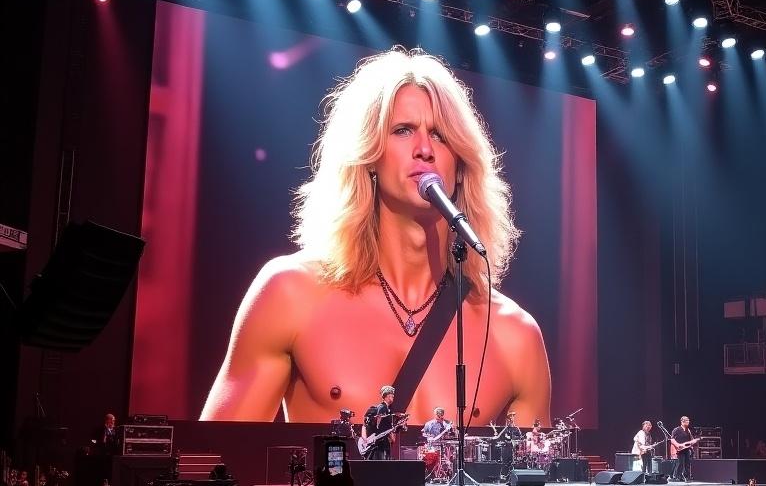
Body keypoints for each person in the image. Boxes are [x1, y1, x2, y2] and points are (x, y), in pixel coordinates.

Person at [200, 47, 551, 424]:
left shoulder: (515, 335)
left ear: (461, 166)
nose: (424, 149)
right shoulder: (291, 293)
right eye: (403, 131)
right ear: (368, 157)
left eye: (440, 135)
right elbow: (218, 467)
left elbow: (534, 480)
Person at [361, 386, 407, 460]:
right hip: (379, 444)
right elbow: (379, 426)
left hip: (382, 442)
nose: (393, 396)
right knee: (381, 464)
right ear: (387, 396)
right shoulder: (382, 407)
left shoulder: (388, 410)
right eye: (391, 394)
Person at [670, 414, 696, 482]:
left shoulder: (688, 430)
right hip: (680, 449)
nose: (688, 422)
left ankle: (687, 477)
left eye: (688, 421)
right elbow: (672, 439)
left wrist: (692, 445)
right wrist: (677, 445)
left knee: (687, 463)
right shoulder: (677, 429)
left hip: (687, 449)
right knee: (680, 463)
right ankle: (678, 476)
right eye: (686, 421)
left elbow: (691, 439)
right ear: (682, 421)